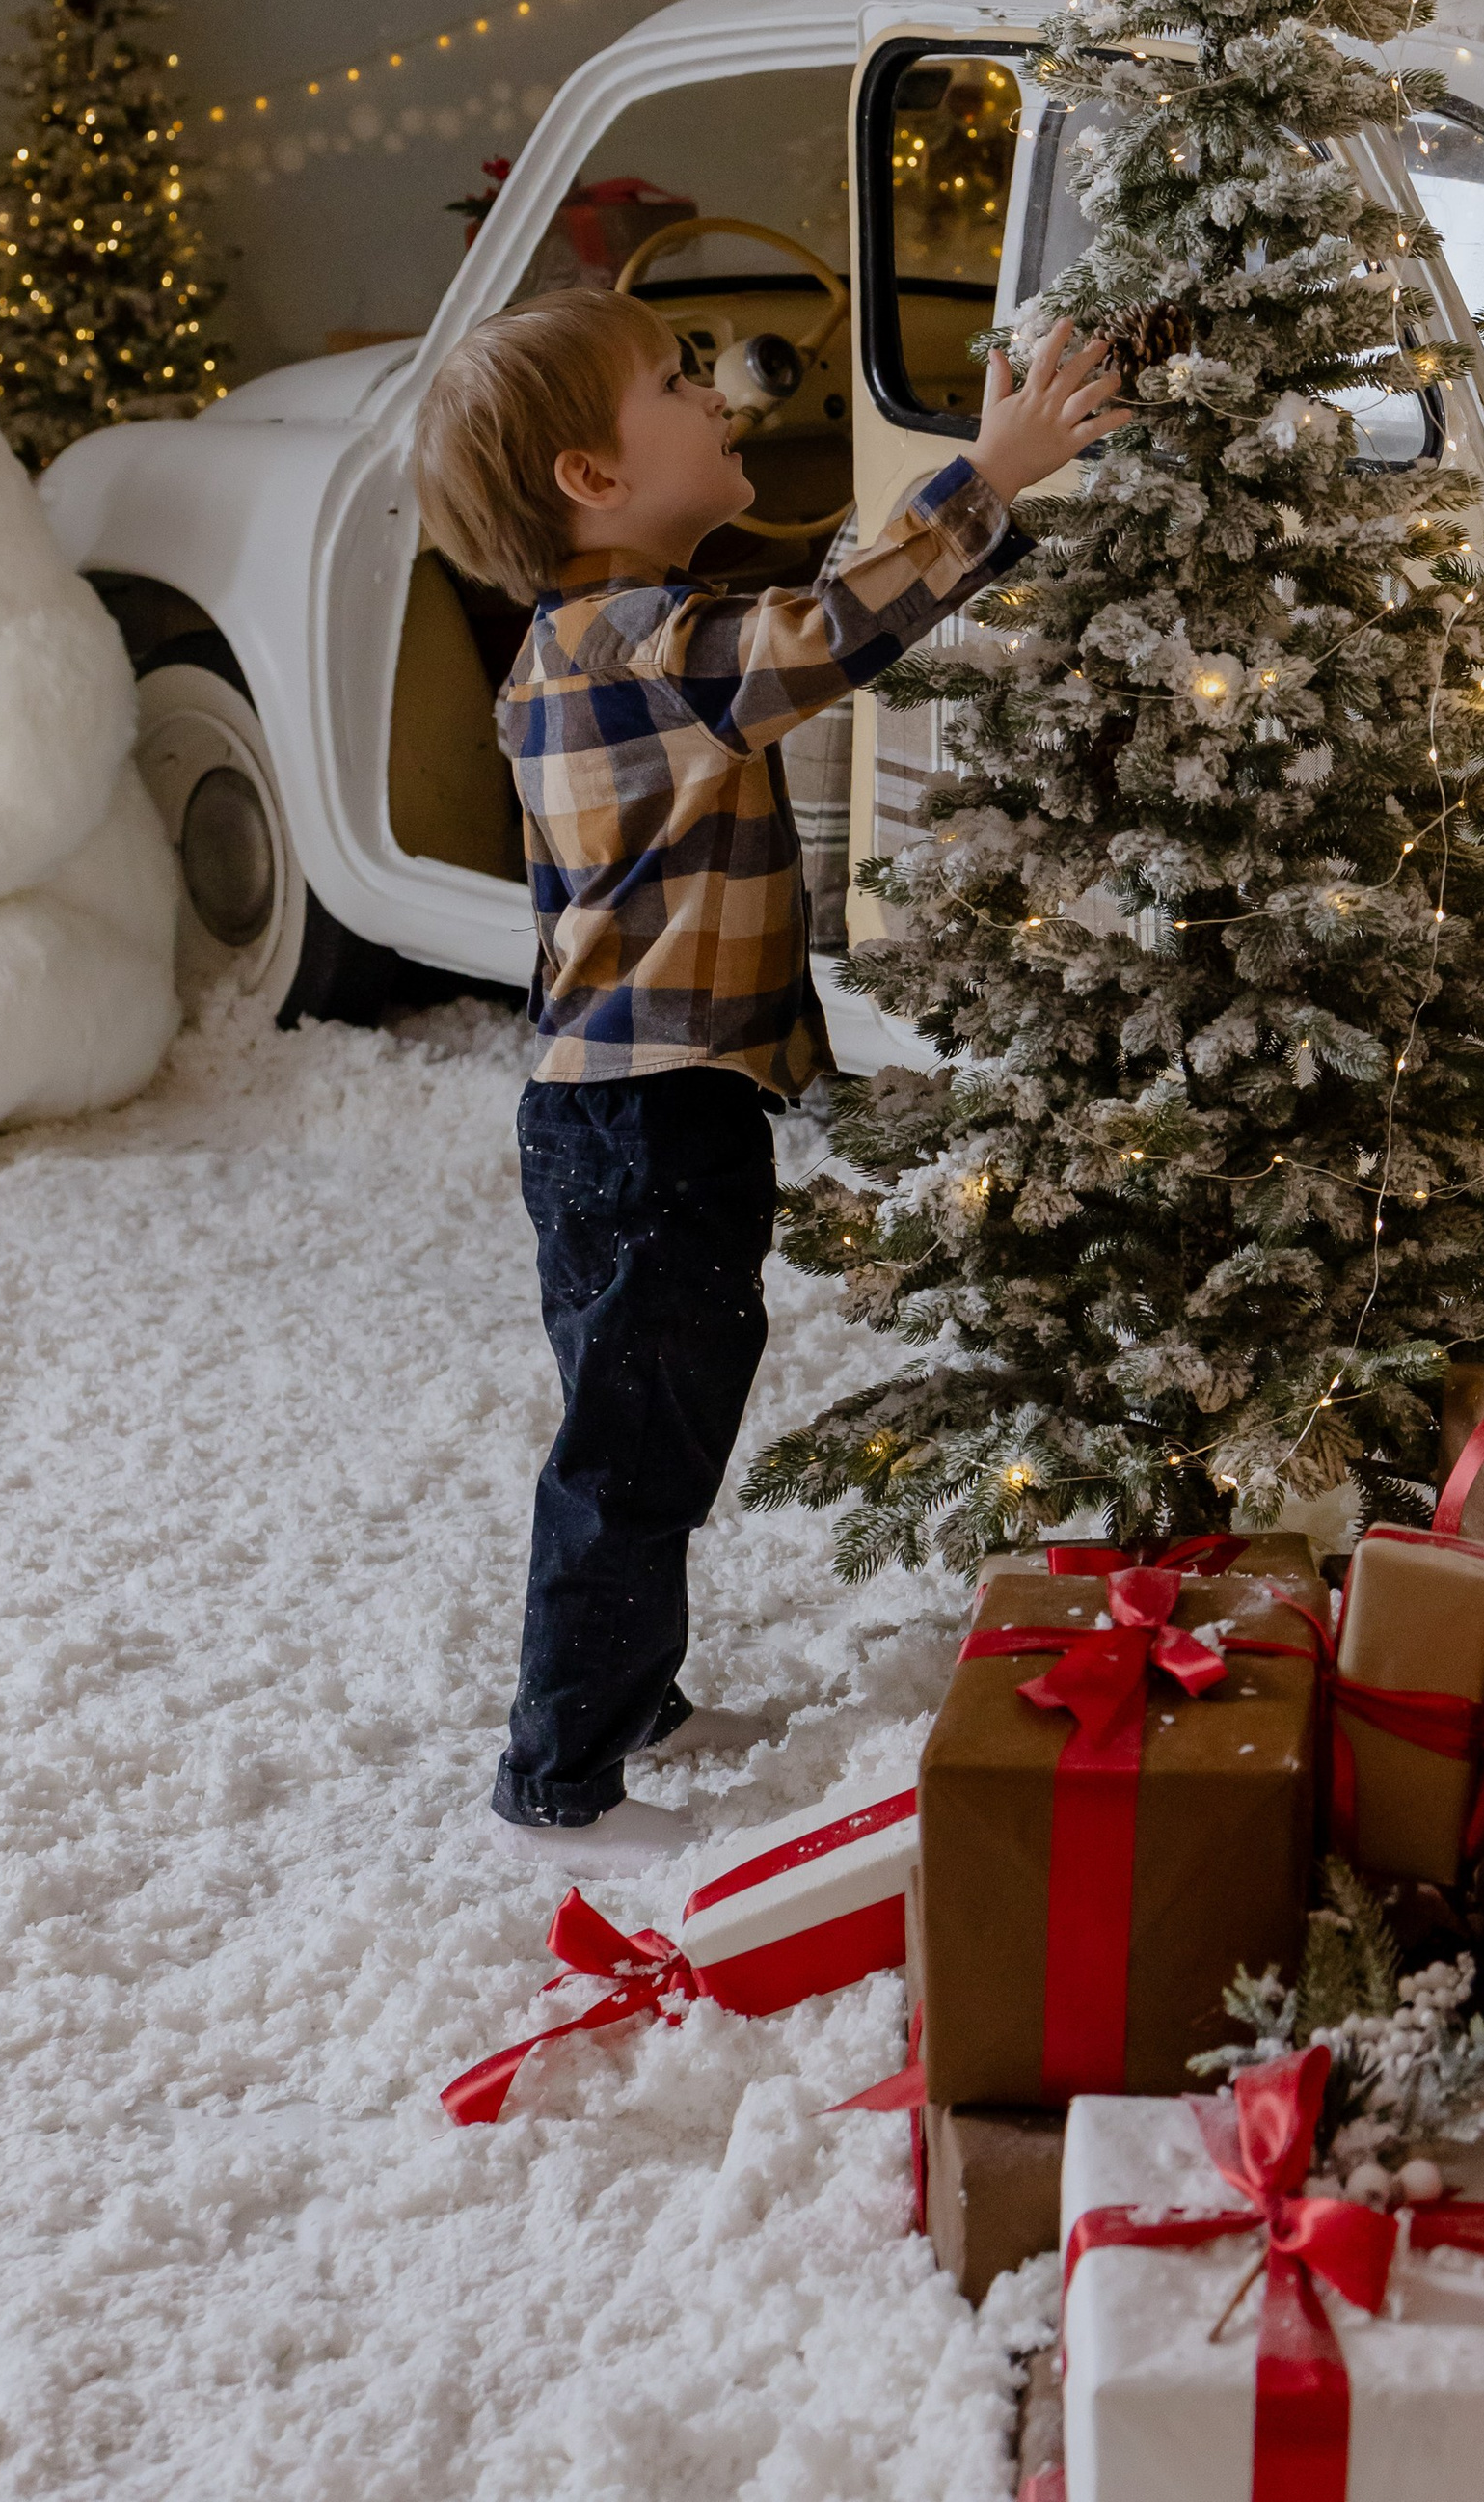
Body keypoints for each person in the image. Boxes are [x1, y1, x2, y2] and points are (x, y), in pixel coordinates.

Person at [413, 284, 1130, 1863]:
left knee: (666, 1417)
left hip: (638, 1107)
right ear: (591, 479)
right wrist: (987, 475)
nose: (719, 394)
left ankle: (634, 1692)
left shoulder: (599, 643)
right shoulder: (637, 646)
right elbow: (824, 632)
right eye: (676, 381)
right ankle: (557, 1776)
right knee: (631, 1445)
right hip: (640, 1122)